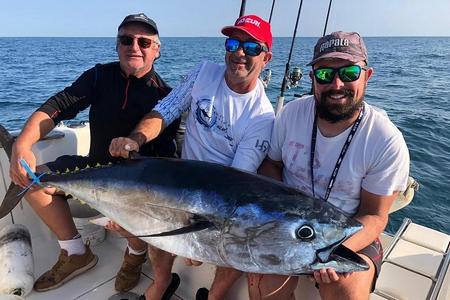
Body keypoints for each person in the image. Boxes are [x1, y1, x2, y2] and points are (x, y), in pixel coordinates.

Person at [8, 13, 180, 293]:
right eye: (126, 39)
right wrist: (22, 146)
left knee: (141, 211)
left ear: (156, 50)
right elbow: (58, 106)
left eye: (144, 42)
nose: (134, 46)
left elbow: (166, 164)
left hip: (136, 193)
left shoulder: (166, 97)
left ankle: (135, 255)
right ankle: (76, 252)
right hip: (91, 172)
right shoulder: (99, 76)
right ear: (117, 45)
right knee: (32, 180)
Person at [108, 14, 275, 300]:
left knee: (241, 232)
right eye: (233, 43)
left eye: (251, 48)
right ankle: (161, 282)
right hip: (182, 177)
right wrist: (134, 140)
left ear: (266, 58)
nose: (239, 53)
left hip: (221, 197)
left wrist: (197, 239)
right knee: (157, 211)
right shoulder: (204, 72)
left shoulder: (262, 117)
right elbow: (167, 109)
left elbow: (233, 184)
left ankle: (215, 295)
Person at [257, 31, 410, 299]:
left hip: (350, 232)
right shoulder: (291, 114)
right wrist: (279, 222)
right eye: (325, 74)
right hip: (289, 225)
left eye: (349, 73)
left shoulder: (386, 140)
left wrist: (329, 251)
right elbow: (271, 165)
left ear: (367, 75)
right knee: (262, 284)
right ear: (313, 78)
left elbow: (374, 216)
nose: (337, 83)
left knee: (345, 289)